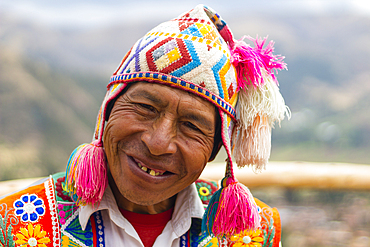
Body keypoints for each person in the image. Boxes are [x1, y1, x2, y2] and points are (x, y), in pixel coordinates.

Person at [0, 4, 289, 247]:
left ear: (216, 149)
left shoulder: (250, 234)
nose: (158, 142)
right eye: (145, 108)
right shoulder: (17, 226)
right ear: (107, 111)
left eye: (192, 126)